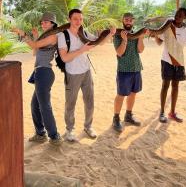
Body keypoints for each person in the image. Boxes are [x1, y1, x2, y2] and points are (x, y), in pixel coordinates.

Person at [58, 8, 116, 142]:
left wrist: (110, 34)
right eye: (75, 19)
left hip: (86, 71)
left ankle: (88, 126)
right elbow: (65, 58)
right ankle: (70, 130)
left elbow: (98, 43)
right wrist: (82, 50)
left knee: (89, 101)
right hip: (72, 73)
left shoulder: (84, 32)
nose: (78, 21)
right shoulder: (63, 36)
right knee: (70, 103)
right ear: (69, 20)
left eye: (80, 19)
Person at [155, 7, 186, 123]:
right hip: (167, 60)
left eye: (180, 15)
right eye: (177, 14)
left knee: (175, 87)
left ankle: (172, 112)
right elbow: (159, 42)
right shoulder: (167, 26)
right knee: (165, 86)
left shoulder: (185, 30)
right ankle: (162, 112)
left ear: (185, 18)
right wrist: (155, 35)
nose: (177, 16)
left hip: (179, 61)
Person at [18, 12, 62, 144]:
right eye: (42, 22)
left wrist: (23, 34)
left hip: (44, 72)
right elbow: (34, 52)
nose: (43, 24)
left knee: (44, 106)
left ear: (53, 24)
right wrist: (36, 37)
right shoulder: (45, 37)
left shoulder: (54, 35)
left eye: (46, 22)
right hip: (39, 72)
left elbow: (34, 46)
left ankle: (54, 136)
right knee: (35, 105)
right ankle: (40, 133)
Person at [112, 12, 147, 132]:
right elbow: (119, 53)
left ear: (133, 21)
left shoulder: (137, 33)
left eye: (130, 20)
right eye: (126, 19)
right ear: (122, 21)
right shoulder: (117, 34)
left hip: (136, 68)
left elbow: (140, 50)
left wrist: (141, 37)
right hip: (123, 70)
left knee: (133, 93)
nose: (128, 21)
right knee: (121, 94)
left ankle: (128, 115)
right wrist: (125, 40)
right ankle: (116, 118)